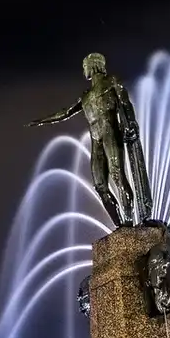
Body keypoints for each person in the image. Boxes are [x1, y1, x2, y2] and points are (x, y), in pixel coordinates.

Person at [29, 53, 153, 226]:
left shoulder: (112, 82)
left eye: (85, 66)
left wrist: (131, 123)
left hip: (111, 132)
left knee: (117, 175)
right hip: (97, 140)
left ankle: (129, 221)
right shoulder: (86, 96)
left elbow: (125, 103)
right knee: (100, 185)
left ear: (93, 65)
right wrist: (42, 121)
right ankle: (120, 226)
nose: (84, 70)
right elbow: (64, 113)